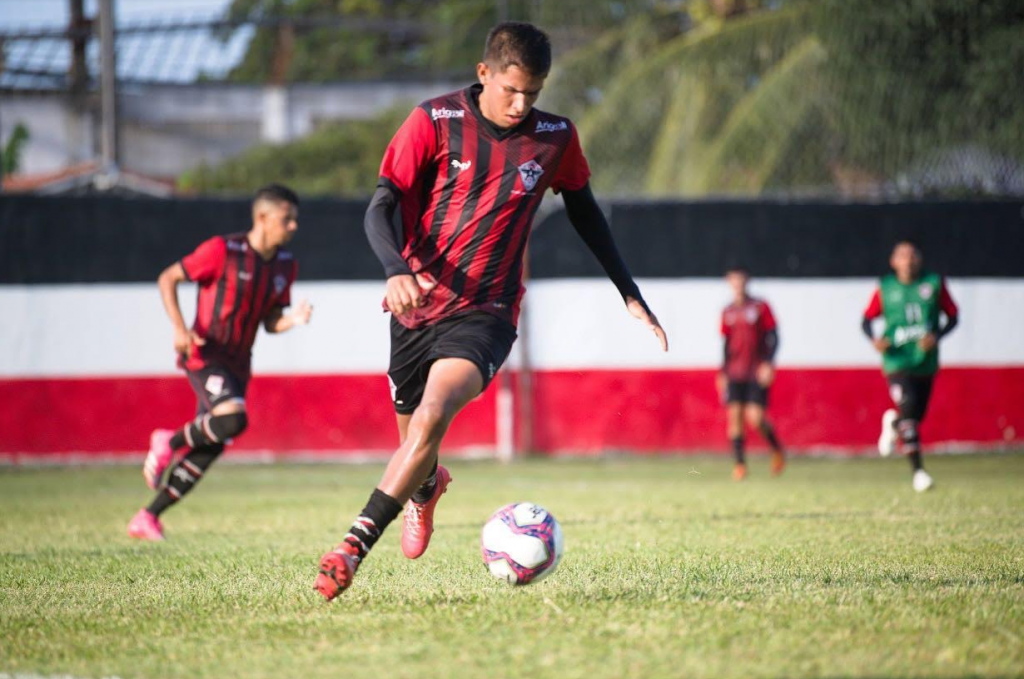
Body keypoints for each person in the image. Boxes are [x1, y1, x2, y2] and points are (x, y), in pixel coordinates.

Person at [314, 21, 668, 600]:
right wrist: (396, 270)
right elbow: (380, 207)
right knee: (414, 444)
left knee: (430, 419)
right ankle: (426, 489)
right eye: (510, 90)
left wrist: (630, 292)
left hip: (489, 311)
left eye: (533, 91)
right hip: (415, 306)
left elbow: (586, 213)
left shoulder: (555, 137)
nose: (521, 103)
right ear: (484, 74)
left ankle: (350, 548)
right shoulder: (433, 121)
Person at [127, 184, 312, 540]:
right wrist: (180, 329)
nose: (293, 227)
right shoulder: (222, 251)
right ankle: (167, 441)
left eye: (294, 220)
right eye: (286, 219)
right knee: (233, 419)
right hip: (205, 353)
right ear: (262, 217)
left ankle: (148, 517)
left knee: (212, 444)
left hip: (240, 364)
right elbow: (168, 277)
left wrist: (294, 320)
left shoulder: (285, 266)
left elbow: (271, 322)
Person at [862, 240, 958, 492]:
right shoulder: (886, 288)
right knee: (910, 410)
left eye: (913, 255)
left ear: (920, 259)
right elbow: (866, 320)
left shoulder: (933, 284)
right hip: (896, 360)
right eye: (902, 256)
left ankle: (893, 423)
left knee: (914, 416)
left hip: (924, 362)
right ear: (894, 262)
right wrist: (875, 340)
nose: (908, 260)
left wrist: (936, 336)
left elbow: (953, 316)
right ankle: (919, 473)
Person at [716, 266, 784, 481]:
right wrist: (723, 372)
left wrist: (769, 363)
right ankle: (740, 465)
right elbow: (726, 344)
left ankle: (776, 448)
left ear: (747, 280)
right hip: (735, 371)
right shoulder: (727, 311)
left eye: (741, 279)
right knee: (734, 416)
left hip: (756, 370)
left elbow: (774, 336)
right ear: (728, 282)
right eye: (733, 280)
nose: (737, 284)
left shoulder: (760, 307)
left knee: (755, 418)